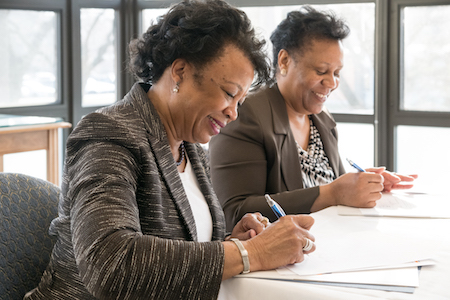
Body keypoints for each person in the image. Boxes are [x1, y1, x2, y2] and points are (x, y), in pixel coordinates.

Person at [24, 1, 317, 299]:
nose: (234, 114)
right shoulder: (108, 133)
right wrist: (249, 252)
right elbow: (111, 265)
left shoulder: (192, 151)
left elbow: (179, 246)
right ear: (180, 71)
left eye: (240, 101)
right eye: (229, 94)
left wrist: (231, 241)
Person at [209, 6, 418, 231]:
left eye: (337, 73)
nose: (332, 83)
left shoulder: (322, 119)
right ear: (285, 61)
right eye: (321, 71)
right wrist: (333, 193)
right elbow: (234, 212)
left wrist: (363, 185)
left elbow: (329, 187)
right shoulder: (246, 115)